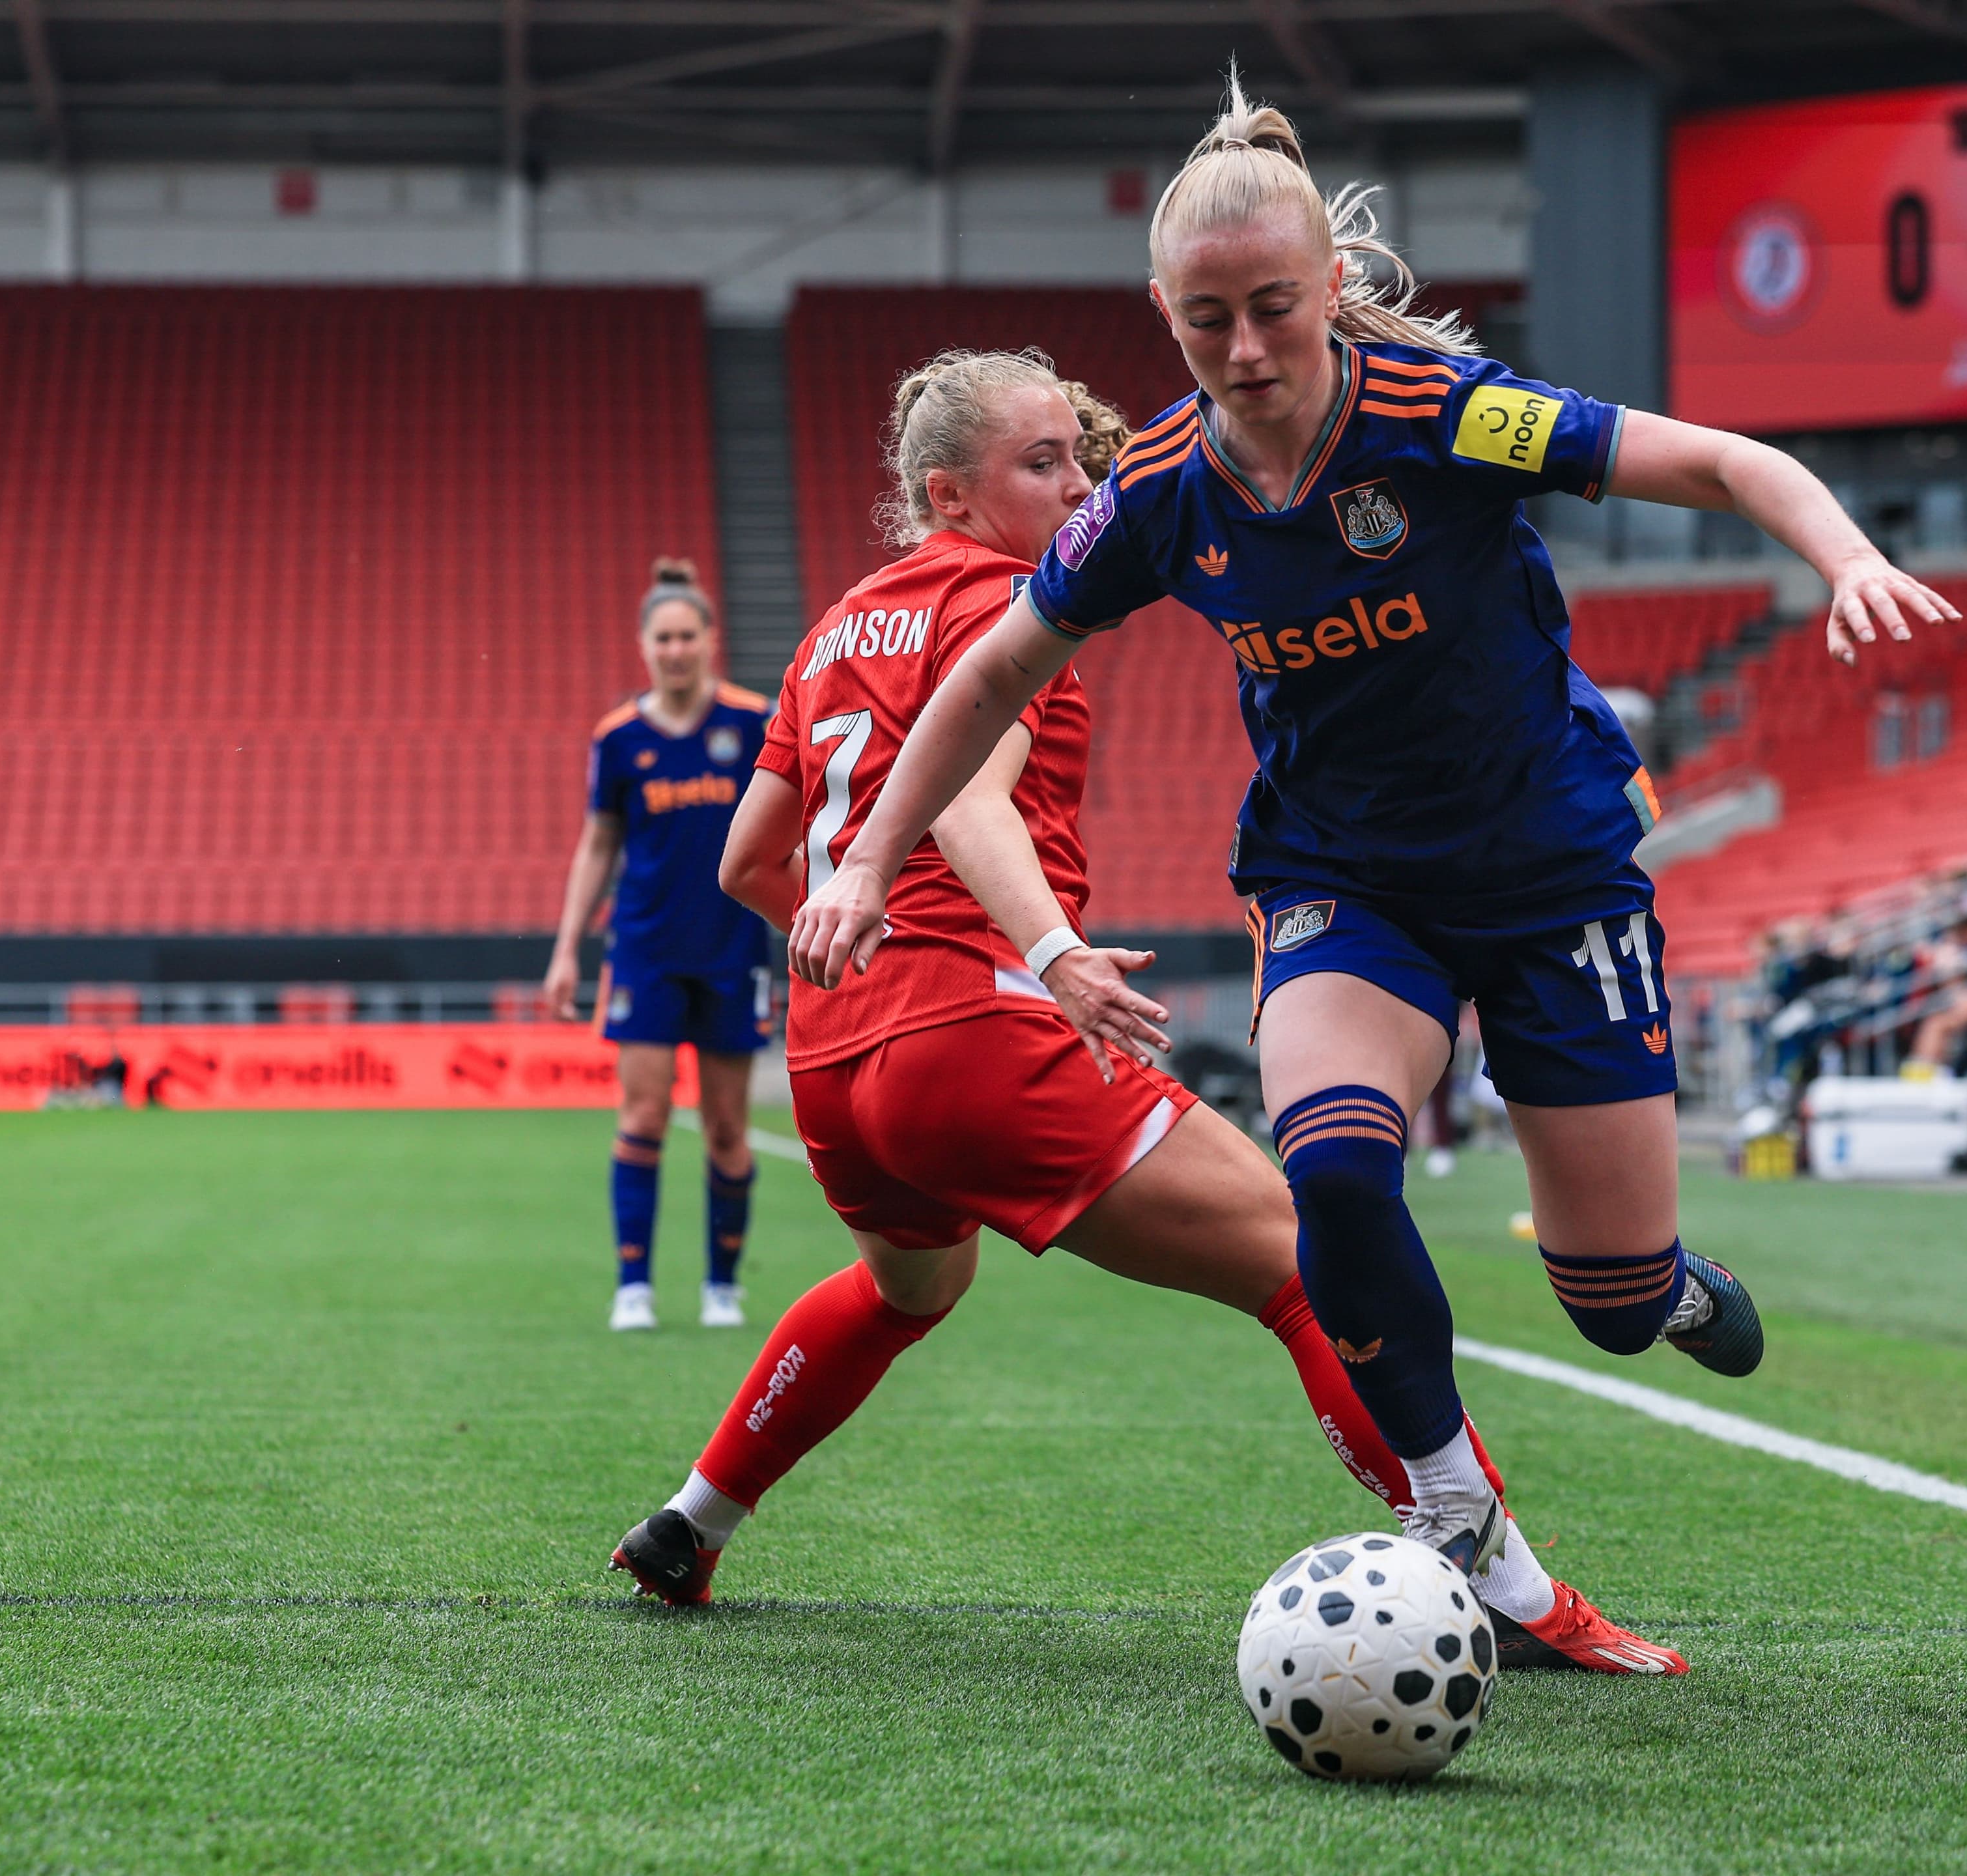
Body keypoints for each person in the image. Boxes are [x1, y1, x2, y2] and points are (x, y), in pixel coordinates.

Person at [789, 78, 1958, 1577]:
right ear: (1163, 314)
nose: (1245, 350)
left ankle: (1654, 1288)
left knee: (1601, 1298)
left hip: (1551, 874)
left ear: (1331, 289)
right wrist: (871, 864)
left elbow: (1722, 462)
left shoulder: (1446, 416)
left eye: (1274, 307)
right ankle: (1453, 1517)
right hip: (1343, 883)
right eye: (1205, 321)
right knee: (1331, 1167)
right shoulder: (1154, 488)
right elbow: (986, 677)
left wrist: (1846, 556)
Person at [608, 354, 1680, 1675]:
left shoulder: (839, 625)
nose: (1081, 485)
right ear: (950, 493)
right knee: (1310, 1261)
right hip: (980, 1035)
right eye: (1042, 464)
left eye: (1080, 456)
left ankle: (691, 1520)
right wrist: (1048, 954)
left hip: (837, 1057)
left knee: (909, 1286)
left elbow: (748, 865)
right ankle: (1509, 1588)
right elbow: (965, 802)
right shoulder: (1009, 603)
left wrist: (865, 946)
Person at [543, 561, 775, 1333]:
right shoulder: (619, 739)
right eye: (663, 637)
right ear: (645, 646)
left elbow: (792, 824)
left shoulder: (752, 723)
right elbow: (598, 843)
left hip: (731, 946)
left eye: (688, 635)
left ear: (710, 640)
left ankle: (722, 1287)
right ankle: (633, 1286)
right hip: (644, 948)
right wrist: (568, 947)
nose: (676, 649)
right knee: (641, 1116)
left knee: (726, 1128)